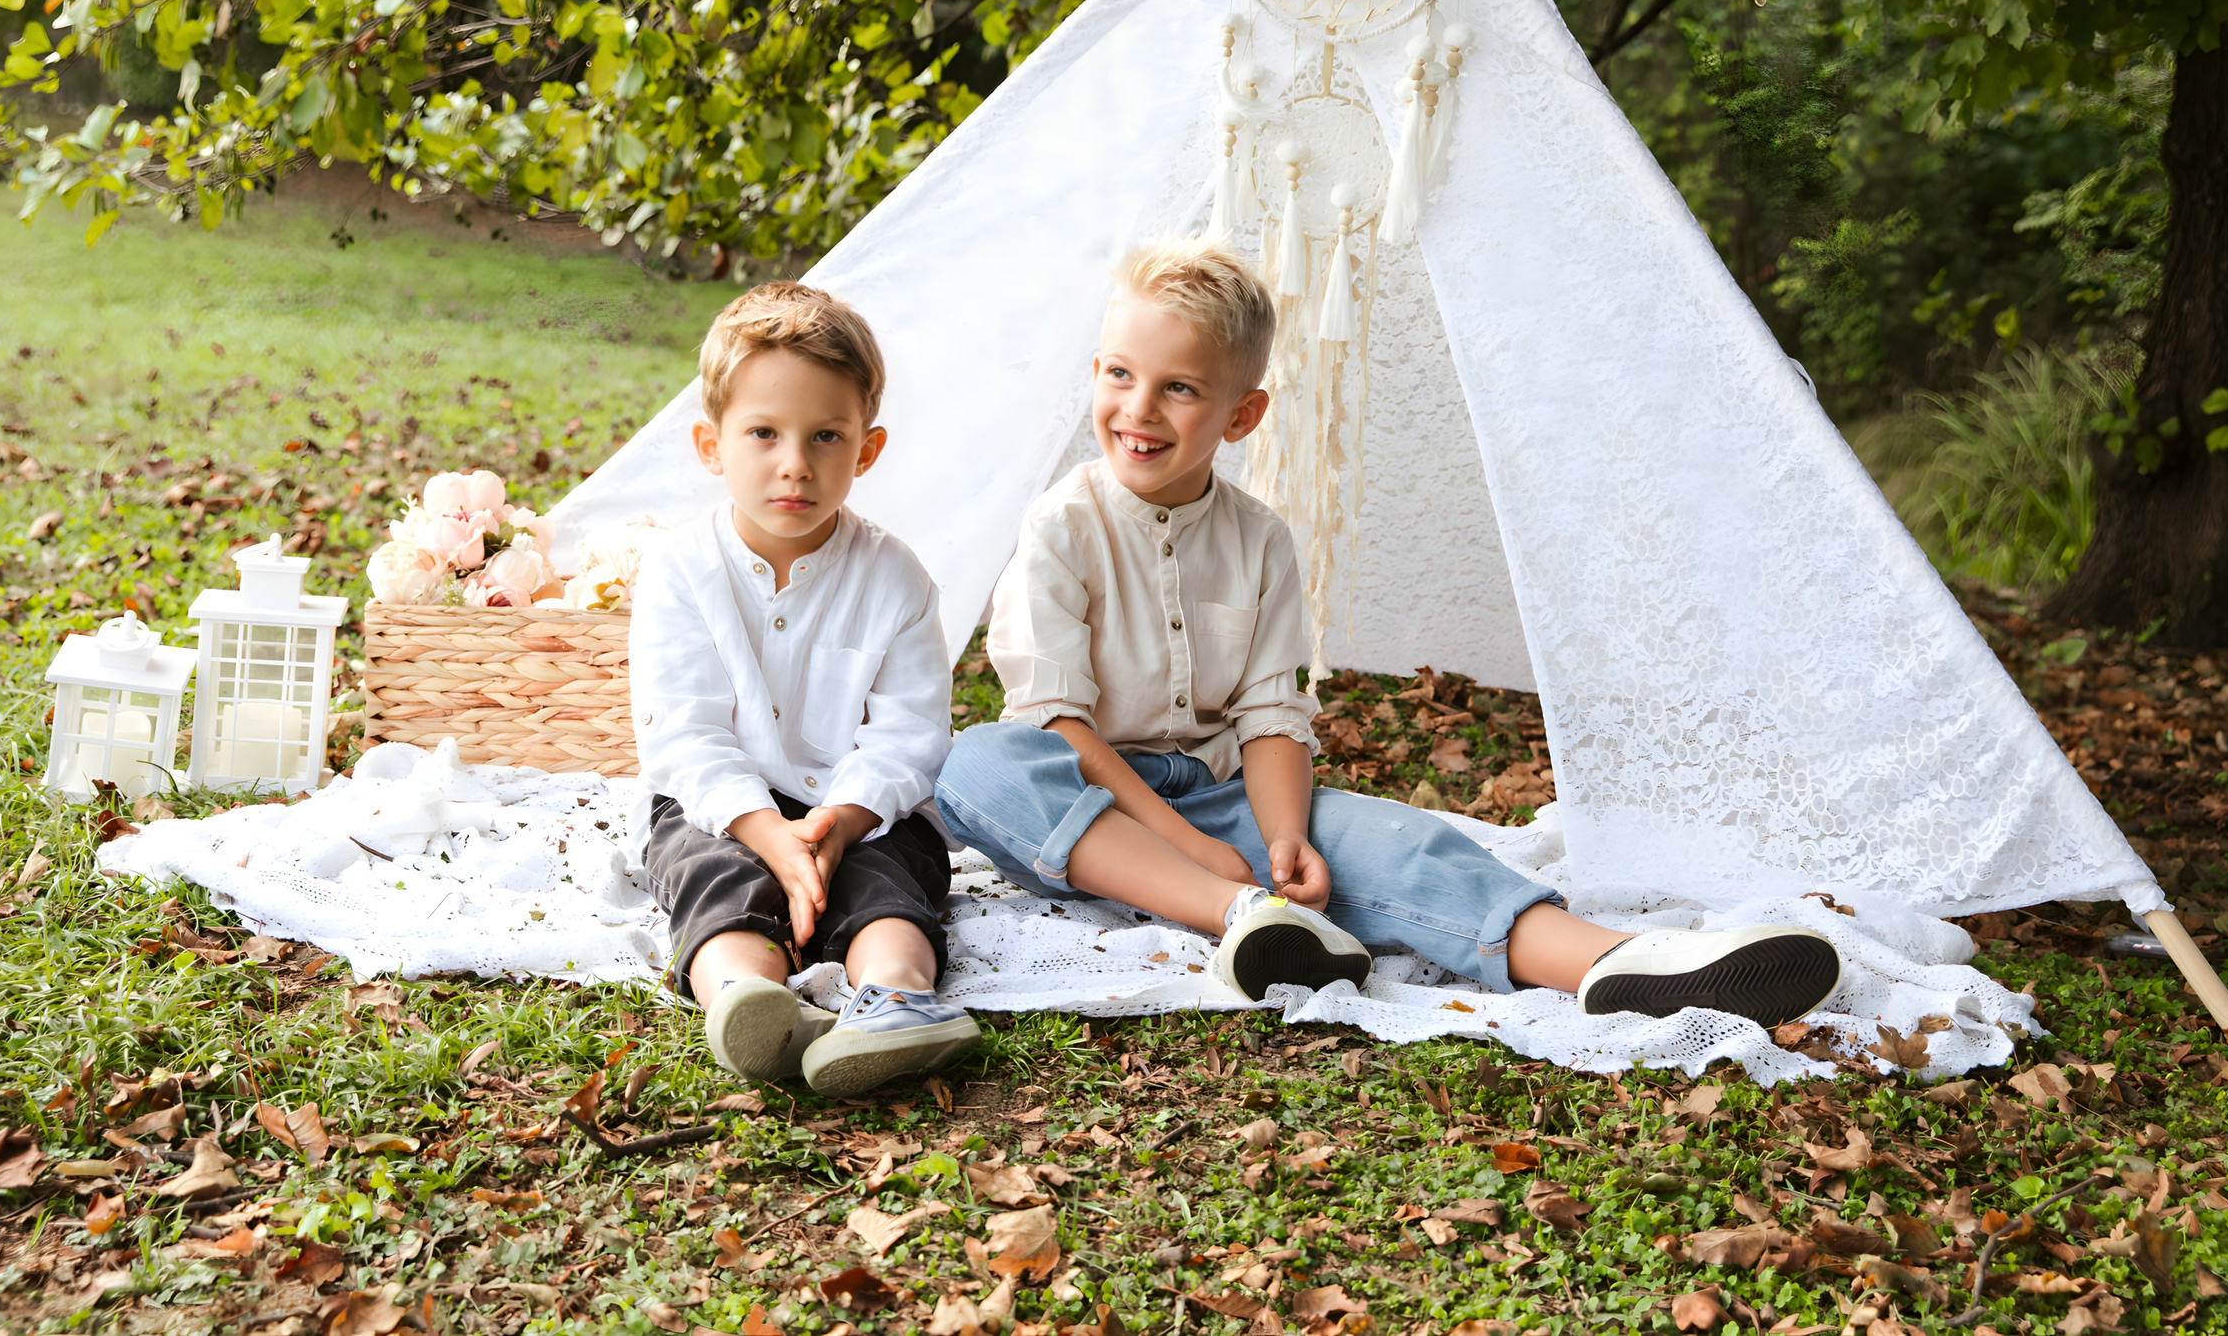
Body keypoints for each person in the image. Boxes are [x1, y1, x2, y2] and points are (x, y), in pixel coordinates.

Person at [933, 239, 1842, 1025]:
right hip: (1093, 804)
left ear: (1242, 415)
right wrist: (1191, 850)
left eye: (1179, 389)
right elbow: (1056, 720)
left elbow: (1272, 713)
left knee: (1398, 841)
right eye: (1120, 375)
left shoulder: (1258, 540)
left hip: (1221, 793)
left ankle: (1612, 961)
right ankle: (1237, 915)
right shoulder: (1063, 525)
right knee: (974, 764)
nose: (1139, 409)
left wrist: (1284, 836)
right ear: (1096, 372)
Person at [629, 282, 979, 1095]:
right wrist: (765, 831)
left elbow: (908, 734)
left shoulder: (896, 578)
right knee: (715, 879)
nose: (796, 463)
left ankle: (897, 1002)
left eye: (826, 436)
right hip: (720, 804)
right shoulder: (681, 571)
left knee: (893, 884)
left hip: (862, 809)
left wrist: (836, 823)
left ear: (867, 449)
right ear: (711, 445)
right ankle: (751, 1003)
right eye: (764, 434)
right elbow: (684, 733)